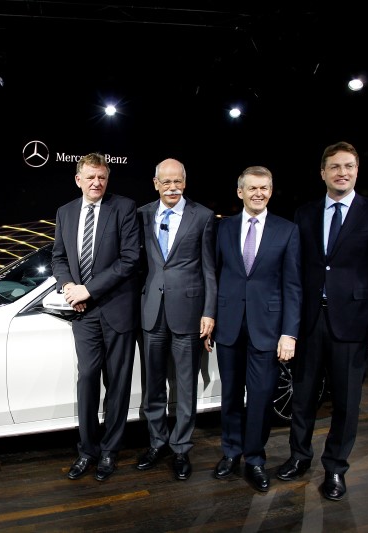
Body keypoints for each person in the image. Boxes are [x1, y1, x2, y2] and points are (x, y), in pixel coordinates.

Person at [276, 142, 368, 501]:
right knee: (302, 398)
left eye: (348, 166)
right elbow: (297, 273)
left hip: (355, 323)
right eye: (334, 167)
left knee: (346, 402)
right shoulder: (306, 213)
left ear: (357, 171)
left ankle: (335, 469)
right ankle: (299, 457)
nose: (341, 172)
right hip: (311, 322)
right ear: (323, 173)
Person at [52, 152, 141, 481]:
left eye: (101, 177)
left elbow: (130, 259)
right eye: (90, 177)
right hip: (83, 314)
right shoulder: (65, 212)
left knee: (117, 384)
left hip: (117, 309)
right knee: (87, 380)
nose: (96, 183)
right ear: (78, 179)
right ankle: (87, 450)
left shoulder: (124, 208)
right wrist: (69, 286)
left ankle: (109, 451)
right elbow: (58, 258)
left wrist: (88, 289)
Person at [212, 166, 302, 492]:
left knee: (262, 396)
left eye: (264, 188)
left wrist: (289, 333)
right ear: (240, 192)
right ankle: (231, 451)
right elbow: (214, 276)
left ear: (271, 190)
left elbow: (293, 286)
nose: (258, 193)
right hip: (229, 325)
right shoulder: (222, 228)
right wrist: (209, 317)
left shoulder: (287, 231)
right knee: (231, 395)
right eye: (252, 188)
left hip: (269, 328)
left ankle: (255, 458)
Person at [135, 158, 216, 481]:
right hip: (151, 311)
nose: (172, 187)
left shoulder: (204, 217)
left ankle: (181, 448)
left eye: (177, 181)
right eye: (166, 182)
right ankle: (156, 442)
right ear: (155, 183)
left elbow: (210, 269)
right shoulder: (141, 214)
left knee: (185, 386)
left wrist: (210, 311)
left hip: (189, 313)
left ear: (185, 181)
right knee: (152, 384)